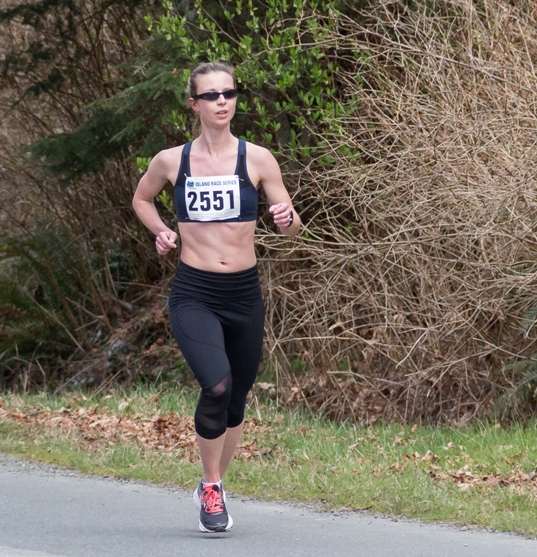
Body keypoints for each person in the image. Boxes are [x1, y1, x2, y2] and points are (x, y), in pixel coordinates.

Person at [132, 61, 301, 533]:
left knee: (237, 399)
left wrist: (288, 220)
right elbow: (141, 199)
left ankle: (217, 485)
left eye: (229, 93)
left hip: (245, 293)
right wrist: (163, 231)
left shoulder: (258, 159)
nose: (222, 101)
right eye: (211, 95)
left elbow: (290, 221)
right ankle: (210, 486)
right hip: (195, 292)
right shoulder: (172, 161)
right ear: (194, 104)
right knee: (218, 386)